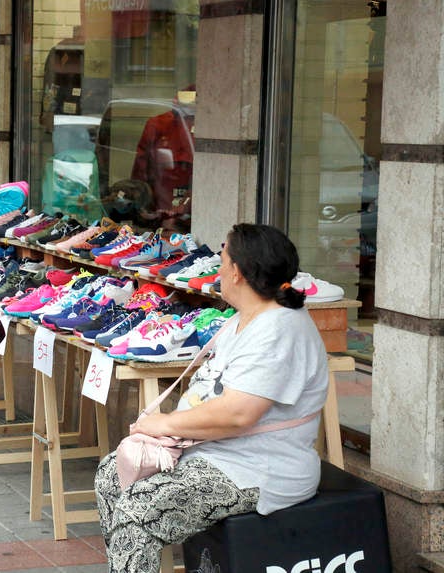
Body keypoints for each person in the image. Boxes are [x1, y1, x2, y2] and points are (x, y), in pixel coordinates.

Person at [95, 223, 329, 573]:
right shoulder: (244, 318)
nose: (217, 268)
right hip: (213, 453)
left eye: (222, 260)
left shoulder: (281, 327)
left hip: (258, 467)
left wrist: (165, 424)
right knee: (110, 475)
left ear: (236, 272)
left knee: (139, 510)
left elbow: (239, 414)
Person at [130, 90, 195, 231]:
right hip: (162, 201)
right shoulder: (158, 124)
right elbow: (141, 170)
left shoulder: (204, 125)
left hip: (185, 206)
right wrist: (142, 203)